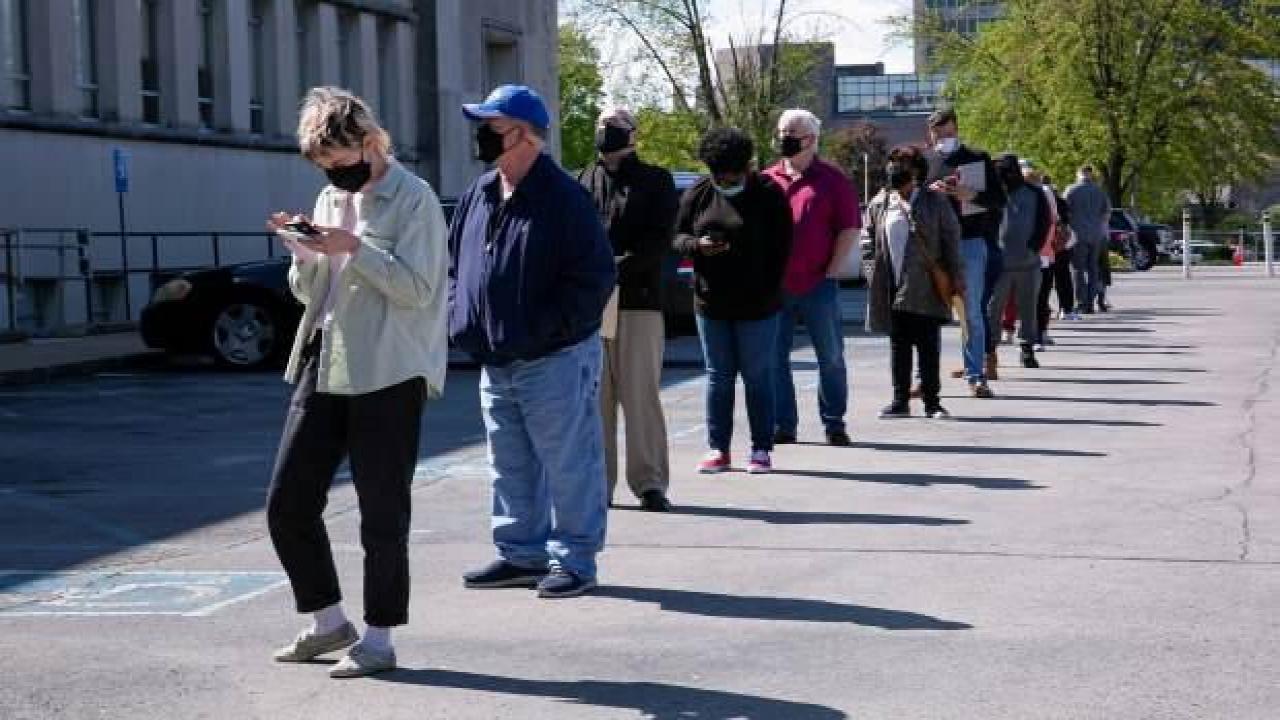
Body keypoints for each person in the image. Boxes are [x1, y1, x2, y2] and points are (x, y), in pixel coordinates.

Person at [265, 87, 450, 678]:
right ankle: (328, 622)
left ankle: (378, 639)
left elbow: (420, 290)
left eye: (342, 165)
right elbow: (308, 293)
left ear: (370, 143)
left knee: (382, 513)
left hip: (390, 369)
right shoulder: (326, 197)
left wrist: (354, 249)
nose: (336, 178)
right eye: (326, 169)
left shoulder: (412, 198)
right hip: (326, 357)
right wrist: (303, 253)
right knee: (287, 503)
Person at [449, 85, 616, 599]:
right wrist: (462, 316)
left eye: (491, 126)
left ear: (523, 134)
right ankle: (521, 553)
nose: (480, 135)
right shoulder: (479, 193)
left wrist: (547, 329)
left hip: (554, 358)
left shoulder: (564, 197)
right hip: (496, 359)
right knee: (510, 463)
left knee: (570, 462)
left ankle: (576, 560)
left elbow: (594, 279)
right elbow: (457, 265)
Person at [675, 127, 793, 475]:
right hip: (711, 303)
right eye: (718, 175)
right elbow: (676, 236)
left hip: (758, 305)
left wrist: (768, 289)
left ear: (747, 167)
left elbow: (782, 249)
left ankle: (761, 449)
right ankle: (718, 448)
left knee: (757, 376)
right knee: (718, 377)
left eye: (731, 175)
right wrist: (698, 246)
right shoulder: (698, 192)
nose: (724, 181)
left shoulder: (769, 194)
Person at [577, 107, 676, 513]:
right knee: (595, 400)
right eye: (601, 126)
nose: (606, 132)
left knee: (640, 395)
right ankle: (598, 485)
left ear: (633, 134)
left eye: (615, 127)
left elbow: (659, 240)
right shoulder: (581, 180)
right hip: (591, 306)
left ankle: (649, 483)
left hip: (638, 299)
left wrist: (614, 266)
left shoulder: (656, 180)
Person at [763, 109, 861, 447]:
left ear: (812, 139)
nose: (784, 138)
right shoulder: (766, 179)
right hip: (775, 286)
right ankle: (783, 424)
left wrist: (833, 268)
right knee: (774, 357)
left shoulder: (833, 180)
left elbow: (849, 227)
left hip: (818, 283)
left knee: (830, 356)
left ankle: (834, 422)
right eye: (781, 131)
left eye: (792, 132)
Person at [866, 151, 962, 419]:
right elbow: (868, 237)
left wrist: (957, 277)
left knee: (928, 343)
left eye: (901, 166)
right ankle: (900, 400)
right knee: (899, 344)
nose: (894, 169)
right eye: (892, 164)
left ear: (916, 171)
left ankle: (932, 402)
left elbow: (951, 239)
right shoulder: (881, 202)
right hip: (892, 284)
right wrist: (872, 270)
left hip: (926, 283)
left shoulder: (935, 202)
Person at [926, 108, 1005, 399]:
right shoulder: (925, 160)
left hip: (970, 241)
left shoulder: (977, 158)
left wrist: (971, 196)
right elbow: (909, 198)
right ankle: (926, 379)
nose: (943, 138)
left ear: (956, 130)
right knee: (928, 313)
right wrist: (929, 192)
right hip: (934, 246)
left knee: (971, 312)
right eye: (937, 133)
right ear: (930, 133)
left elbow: (999, 200)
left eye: (947, 132)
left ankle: (976, 375)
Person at [987, 154, 1050, 369]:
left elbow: (1044, 221)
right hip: (998, 262)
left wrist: (1034, 247)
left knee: (1028, 307)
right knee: (993, 307)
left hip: (1027, 261)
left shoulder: (1035, 194)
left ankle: (1027, 348)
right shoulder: (994, 194)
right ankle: (990, 350)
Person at [1064, 165, 1111, 314]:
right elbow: (1106, 213)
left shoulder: (1071, 190)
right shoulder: (1100, 191)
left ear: (1079, 174)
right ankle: (1091, 302)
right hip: (1096, 234)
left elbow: (1064, 211)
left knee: (1077, 269)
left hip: (1077, 234)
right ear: (1090, 175)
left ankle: (1081, 302)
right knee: (1093, 268)